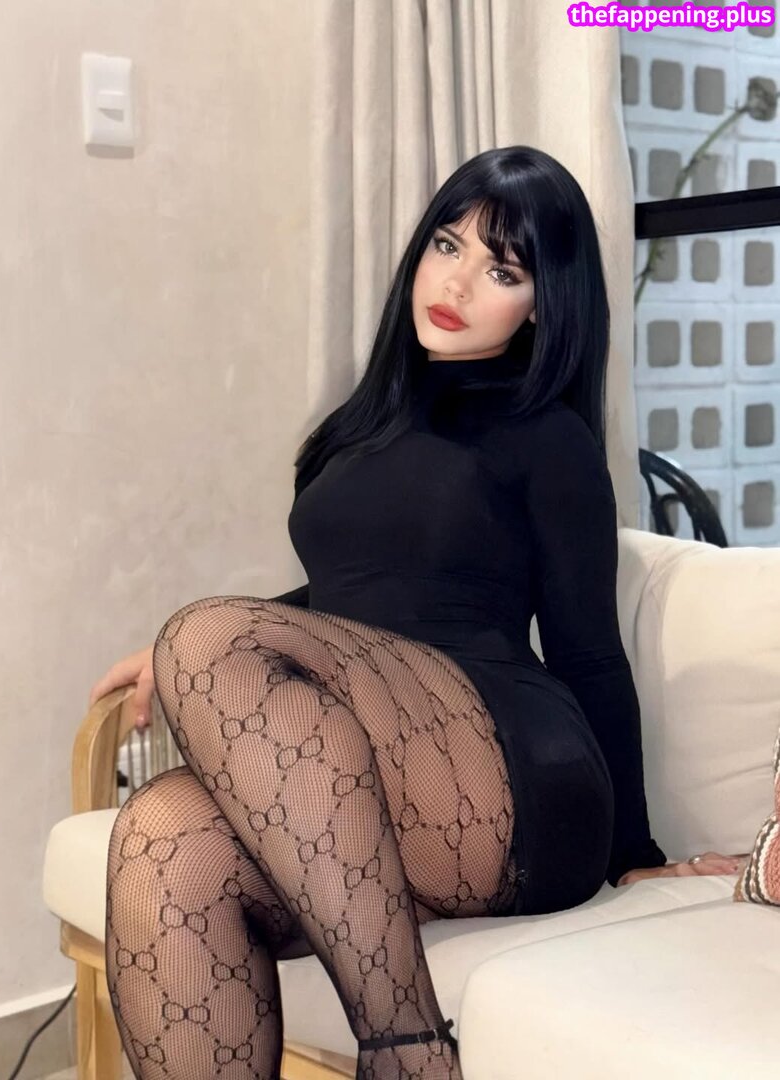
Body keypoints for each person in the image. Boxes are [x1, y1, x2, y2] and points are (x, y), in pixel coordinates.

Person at [90, 145, 744, 1080]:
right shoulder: (353, 430)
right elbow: (351, 595)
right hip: (371, 768)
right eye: (447, 244)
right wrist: (195, 653)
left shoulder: (547, 437)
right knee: (161, 837)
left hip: (507, 768)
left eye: (502, 270)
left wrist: (635, 851)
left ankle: (407, 1049)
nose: (458, 283)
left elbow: (589, 650)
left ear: (542, 306)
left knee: (200, 632)